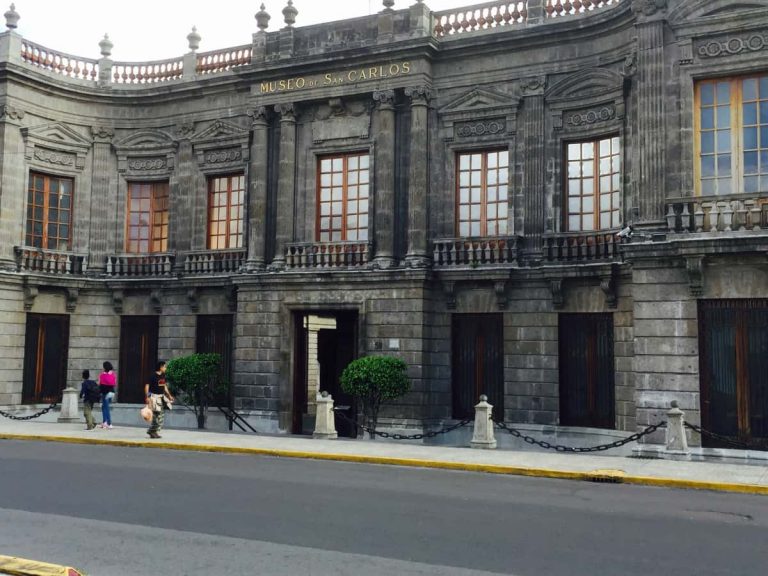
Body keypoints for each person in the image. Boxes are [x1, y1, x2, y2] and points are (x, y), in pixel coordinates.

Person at [144, 360, 173, 439]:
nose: (165, 368)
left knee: (161, 416)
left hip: (161, 398)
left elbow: (164, 386)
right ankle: (152, 431)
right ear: (161, 367)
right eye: (165, 367)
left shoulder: (162, 375)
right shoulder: (152, 376)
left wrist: (169, 395)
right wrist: (147, 397)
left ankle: (154, 431)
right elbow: (147, 386)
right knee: (156, 415)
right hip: (154, 398)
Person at [98, 361, 117, 429]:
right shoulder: (113, 374)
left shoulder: (102, 375)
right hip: (111, 393)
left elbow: (100, 384)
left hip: (105, 393)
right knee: (105, 407)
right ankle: (106, 422)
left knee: (105, 408)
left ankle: (108, 423)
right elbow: (114, 383)